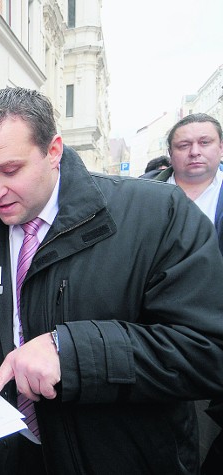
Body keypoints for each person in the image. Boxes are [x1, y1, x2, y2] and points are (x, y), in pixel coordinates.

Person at [0, 87, 223, 475]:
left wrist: (70, 353)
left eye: (10, 170)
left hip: (115, 458)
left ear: (53, 150)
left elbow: (205, 351)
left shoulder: (158, 215)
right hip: (3, 453)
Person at [155, 113, 223, 472]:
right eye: (184, 145)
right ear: (171, 153)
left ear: (221, 147)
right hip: (161, 340)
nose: (195, 152)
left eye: (205, 143)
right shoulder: (146, 197)